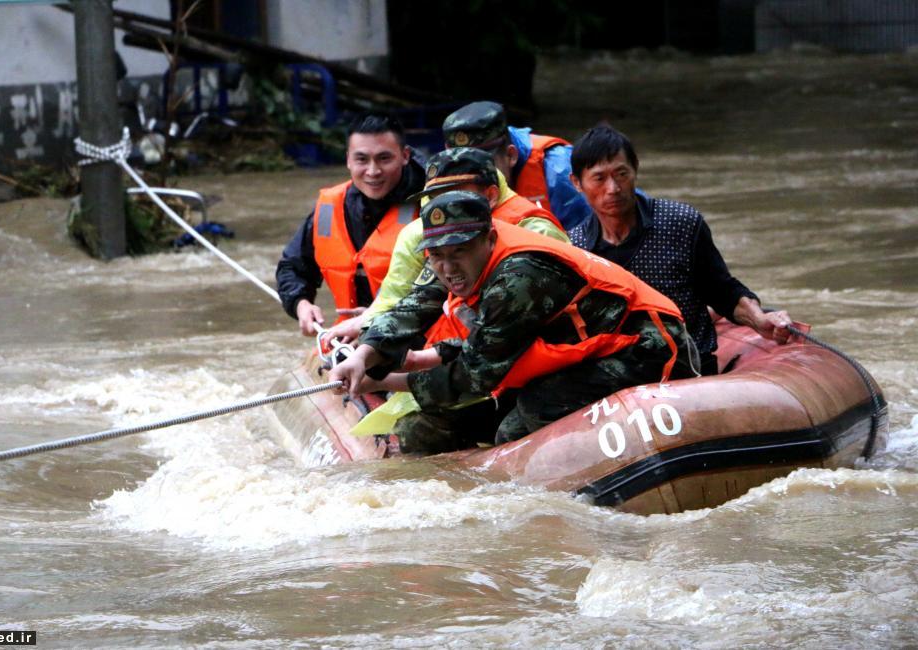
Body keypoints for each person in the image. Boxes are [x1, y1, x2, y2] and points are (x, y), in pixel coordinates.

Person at [330, 191, 696, 455]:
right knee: (425, 428)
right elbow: (412, 307)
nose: (447, 267)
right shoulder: (447, 258)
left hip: (648, 346)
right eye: (437, 256)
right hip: (571, 350)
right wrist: (364, 357)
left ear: (489, 239)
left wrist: (392, 380)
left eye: (459, 252)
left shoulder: (517, 277)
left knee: (525, 420)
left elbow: (476, 375)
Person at [568, 124, 794, 376]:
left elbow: (723, 291)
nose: (613, 188)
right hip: (619, 376)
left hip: (689, 367)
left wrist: (759, 320)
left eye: (621, 174)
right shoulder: (575, 248)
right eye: (599, 178)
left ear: (635, 170)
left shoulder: (680, 223)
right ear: (577, 183)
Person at [320, 146, 568, 348]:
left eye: (457, 194)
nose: (447, 206)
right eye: (437, 196)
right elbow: (415, 298)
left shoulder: (534, 232)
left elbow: (501, 337)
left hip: (538, 349)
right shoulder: (431, 236)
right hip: (465, 348)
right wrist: (369, 334)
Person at [275, 113, 426, 336]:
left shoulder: (431, 206)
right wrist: (301, 304)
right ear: (348, 160)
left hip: (414, 334)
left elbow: (444, 288)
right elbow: (292, 267)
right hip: (347, 333)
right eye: (362, 159)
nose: (373, 171)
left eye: (384, 158)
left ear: (404, 156)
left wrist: (378, 319)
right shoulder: (328, 208)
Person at [442, 101, 591, 231]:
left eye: (483, 165)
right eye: (463, 167)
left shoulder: (558, 169)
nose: (474, 178)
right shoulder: (441, 174)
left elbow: (590, 240)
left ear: (511, 155)